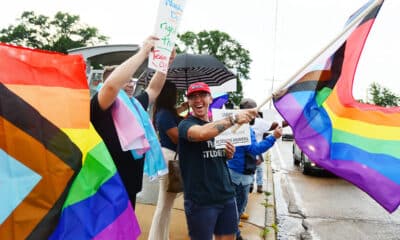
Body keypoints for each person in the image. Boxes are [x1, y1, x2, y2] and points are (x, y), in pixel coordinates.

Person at [90, 35, 176, 209]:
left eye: (132, 80)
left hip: (130, 186)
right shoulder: (100, 104)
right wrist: (144, 52)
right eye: (125, 80)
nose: (130, 84)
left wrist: (164, 64)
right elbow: (111, 87)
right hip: (106, 188)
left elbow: (154, 89)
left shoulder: (134, 104)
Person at [178, 82, 258, 240]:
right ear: (189, 102)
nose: (198, 100)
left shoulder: (216, 125)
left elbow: (219, 156)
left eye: (202, 95)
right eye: (193, 97)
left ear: (210, 98)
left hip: (226, 195)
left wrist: (228, 154)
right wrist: (234, 118)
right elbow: (201, 134)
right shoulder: (185, 124)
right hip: (201, 199)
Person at [227, 98, 282, 240]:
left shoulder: (232, 125)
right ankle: (236, 236)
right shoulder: (245, 129)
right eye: (254, 112)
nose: (256, 116)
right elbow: (254, 149)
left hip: (232, 171)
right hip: (241, 175)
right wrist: (273, 137)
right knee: (237, 209)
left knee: (231, 208)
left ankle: (234, 234)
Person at [148, 81, 187, 240]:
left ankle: (162, 237)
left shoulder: (164, 112)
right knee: (164, 204)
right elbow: (177, 137)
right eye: (176, 93)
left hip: (168, 156)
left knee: (167, 205)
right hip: (169, 156)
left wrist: (184, 108)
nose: (177, 96)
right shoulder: (164, 114)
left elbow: (175, 115)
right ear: (169, 95)